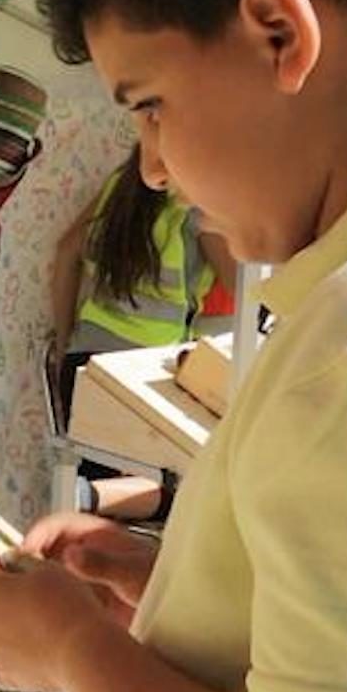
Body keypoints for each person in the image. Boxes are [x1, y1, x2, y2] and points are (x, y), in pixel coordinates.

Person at [0, 0, 347, 692]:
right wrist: (165, 588)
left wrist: (72, 651)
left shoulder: (337, 359)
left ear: (278, 35)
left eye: (149, 105)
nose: (151, 167)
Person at [52, 143, 235, 520]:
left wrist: (63, 338)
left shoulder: (121, 186)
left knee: (90, 510)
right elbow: (243, 286)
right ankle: (85, 500)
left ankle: (80, 503)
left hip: (83, 360)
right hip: (142, 373)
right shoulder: (196, 204)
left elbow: (65, 253)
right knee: (171, 488)